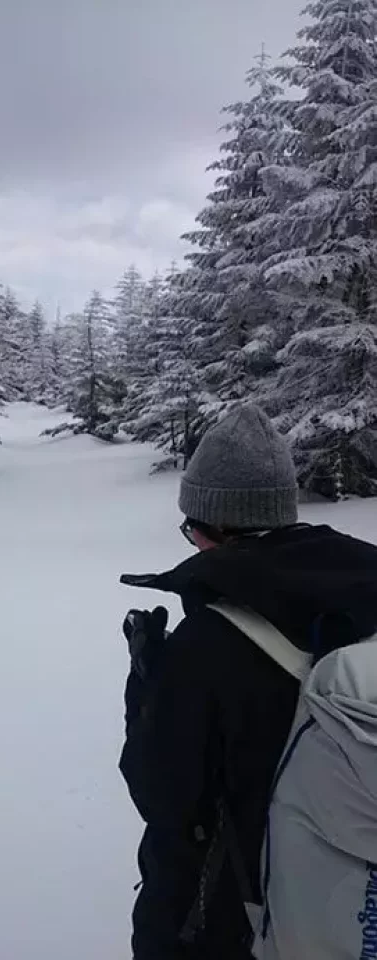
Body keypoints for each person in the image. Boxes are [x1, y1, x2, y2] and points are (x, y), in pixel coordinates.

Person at [119, 404, 377, 960]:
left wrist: (144, 687)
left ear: (214, 526)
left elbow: (162, 795)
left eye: (191, 527)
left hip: (228, 918)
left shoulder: (206, 644)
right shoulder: (365, 598)